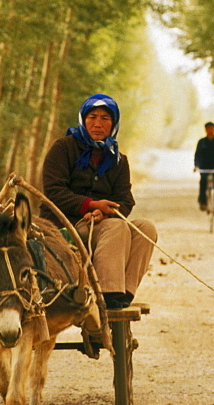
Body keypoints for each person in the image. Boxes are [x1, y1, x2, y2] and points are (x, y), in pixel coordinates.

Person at [40, 93, 157, 310]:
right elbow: (53, 191)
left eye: (105, 118)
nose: (98, 124)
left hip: (102, 225)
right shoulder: (63, 148)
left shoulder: (118, 160)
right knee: (116, 226)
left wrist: (106, 212)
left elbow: (125, 199)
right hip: (64, 226)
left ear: (113, 124)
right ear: (83, 120)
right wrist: (91, 205)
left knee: (145, 229)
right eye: (92, 117)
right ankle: (106, 295)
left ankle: (124, 294)